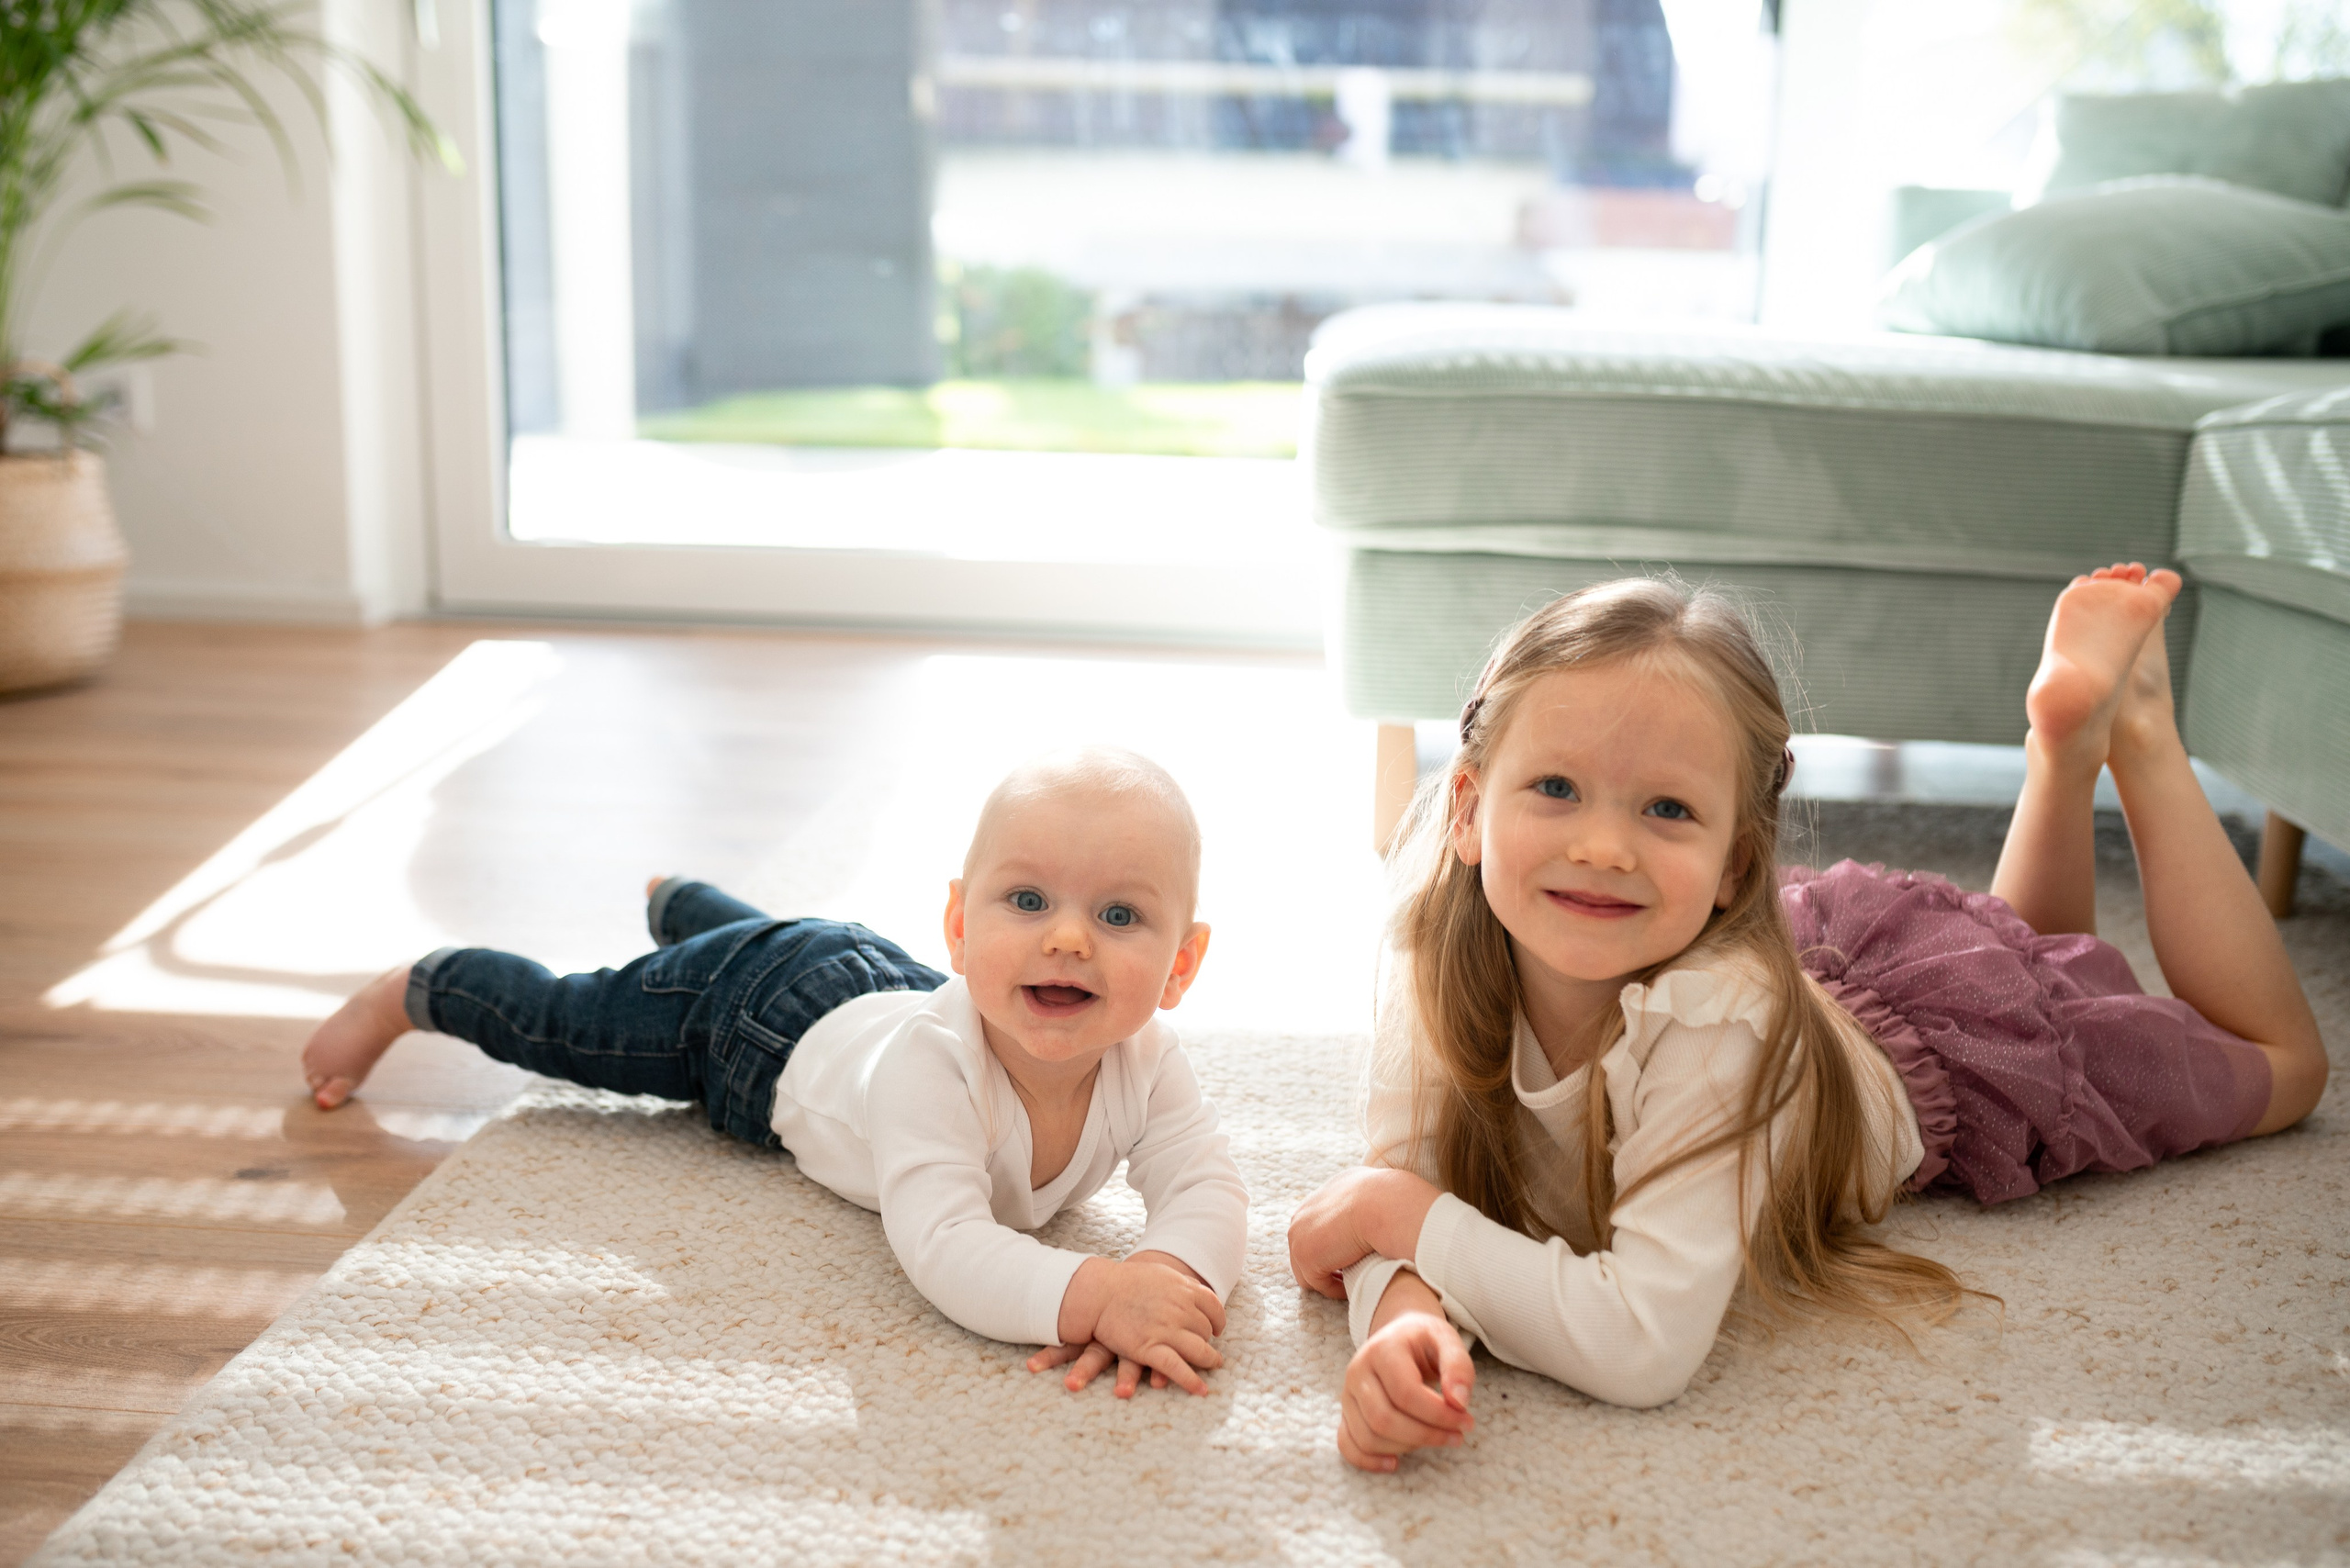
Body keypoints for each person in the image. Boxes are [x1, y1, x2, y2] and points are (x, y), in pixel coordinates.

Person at [1286, 566, 2327, 1472]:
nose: (1603, 847)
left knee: (2275, 1071)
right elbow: (1411, 1178)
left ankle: (2138, 738)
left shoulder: (1717, 1024)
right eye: (1555, 787)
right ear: (1466, 809)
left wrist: (1395, 1222)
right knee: (2028, 958)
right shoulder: (1439, 949)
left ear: (1737, 863)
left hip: (1936, 1060)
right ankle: (2060, 745)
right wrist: (1402, 1319)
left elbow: (1638, 1341)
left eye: (1665, 810)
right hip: (1841, 974)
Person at [304, 746, 1249, 1401]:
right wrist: (1097, 1292)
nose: (1067, 936)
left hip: (874, 980)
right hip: (751, 1028)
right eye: (1028, 899)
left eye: (1120, 915)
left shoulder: (1148, 1060)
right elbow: (945, 1244)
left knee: (779, 937)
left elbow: (1205, 1178)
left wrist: (1167, 1269)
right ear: (961, 927)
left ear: (1182, 963)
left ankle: (683, 905)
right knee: (571, 1019)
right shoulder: (938, 1064)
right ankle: (416, 988)